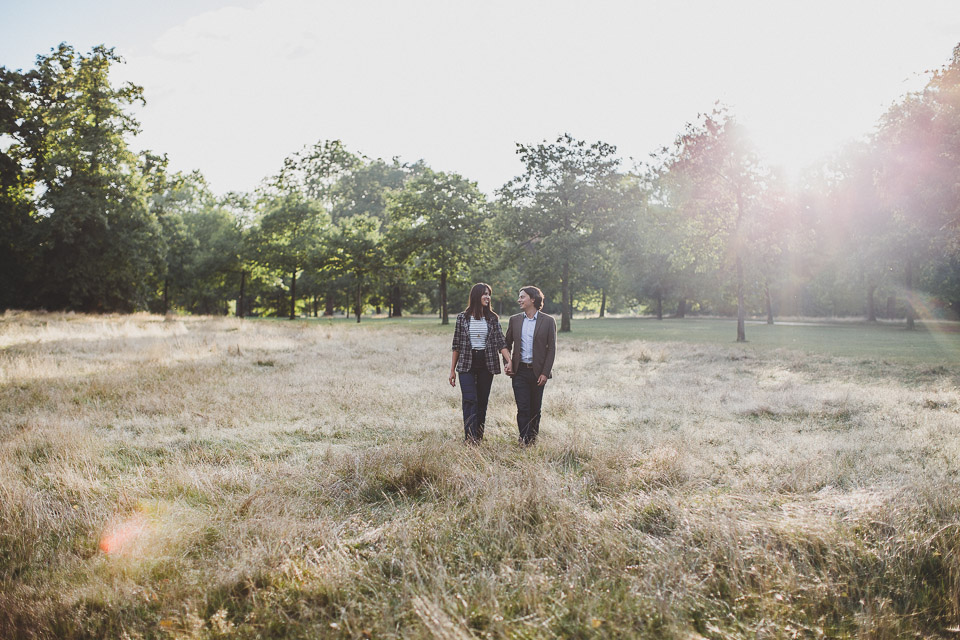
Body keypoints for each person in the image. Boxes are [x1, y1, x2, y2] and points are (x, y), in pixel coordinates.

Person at [449, 283, 513, 443]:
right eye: (484, 294)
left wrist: (509, 361)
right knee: (470, 399)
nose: (487, 297)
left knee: (482, 402)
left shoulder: (492, 318)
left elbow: (501, 343)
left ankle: (478, 436)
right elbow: (456, 345)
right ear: (476, 296)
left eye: (489, 294)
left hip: (486, 363)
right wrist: (452, 371)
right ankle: (469, 438)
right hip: (466, 365)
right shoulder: (462, 318)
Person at [504, 286, 556, 445]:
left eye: (522, 297)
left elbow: (551, 349)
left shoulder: (548, 321)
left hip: (538, 373)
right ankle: (523, 439)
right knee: (523, 408)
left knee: (535, 409)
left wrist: (545, 373)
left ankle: (532, 438)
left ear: (533, 299)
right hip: (519, 372)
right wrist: (508, 363)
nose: (519, 300)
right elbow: (506, 344)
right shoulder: (515, 320)